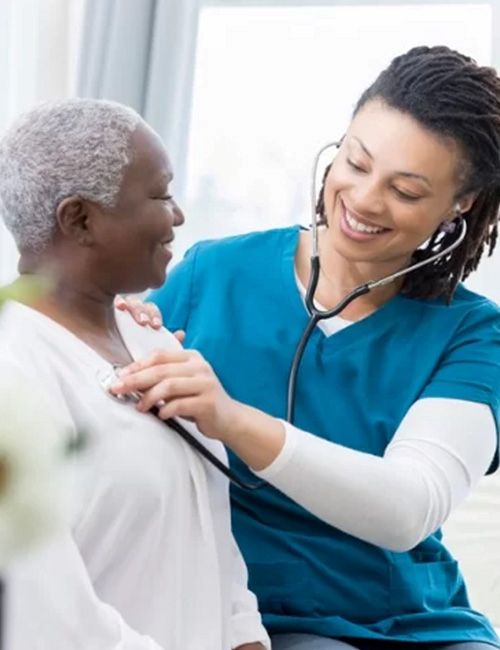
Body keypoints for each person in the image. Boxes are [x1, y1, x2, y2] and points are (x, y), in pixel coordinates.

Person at [114, 46, 500, 649]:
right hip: (263, 619)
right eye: (356, 162)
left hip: (419, 626)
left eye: (405, 190)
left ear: (460, 204)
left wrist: (231, 418)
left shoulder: (472, 333)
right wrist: (114, 336)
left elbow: (408, 509)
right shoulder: (212, 275)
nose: (364, 199)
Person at [0, 99, 270, 650]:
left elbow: (211, 537)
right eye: (160, 194)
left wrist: (248, 639)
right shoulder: (14, 371)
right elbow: (47, 617)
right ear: (80, 219)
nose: (178, 215)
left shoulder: (152, 340)